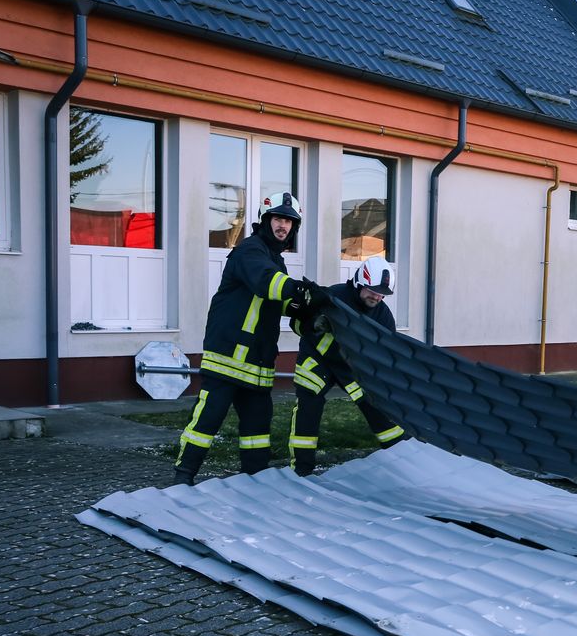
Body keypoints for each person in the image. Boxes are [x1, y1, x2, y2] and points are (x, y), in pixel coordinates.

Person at [173, 192, 316, 486]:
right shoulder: (250, 251)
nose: (283, 226)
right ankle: (183, 477)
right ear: (266, 220)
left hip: (257, 365)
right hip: (228, 359)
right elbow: (266, 282)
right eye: (278, 219)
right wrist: (297, 289)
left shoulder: (275, 260)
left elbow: (276, 301)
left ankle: (255, 481)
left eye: (289, 221)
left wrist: (305, 307)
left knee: (257, 429)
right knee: (207, 420)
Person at [287, 255, 405, 476]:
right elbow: (296, 323)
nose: (377, 296)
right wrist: (314, 324)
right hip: (318, 362)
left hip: (350, 368)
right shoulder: (334, 296)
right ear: (359, 282)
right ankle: (301, 471)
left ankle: (404, 458)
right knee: (308, 410)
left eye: (382, 293)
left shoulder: (383, 315)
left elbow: (386, 353)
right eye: (373, 290)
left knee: (377, 408)